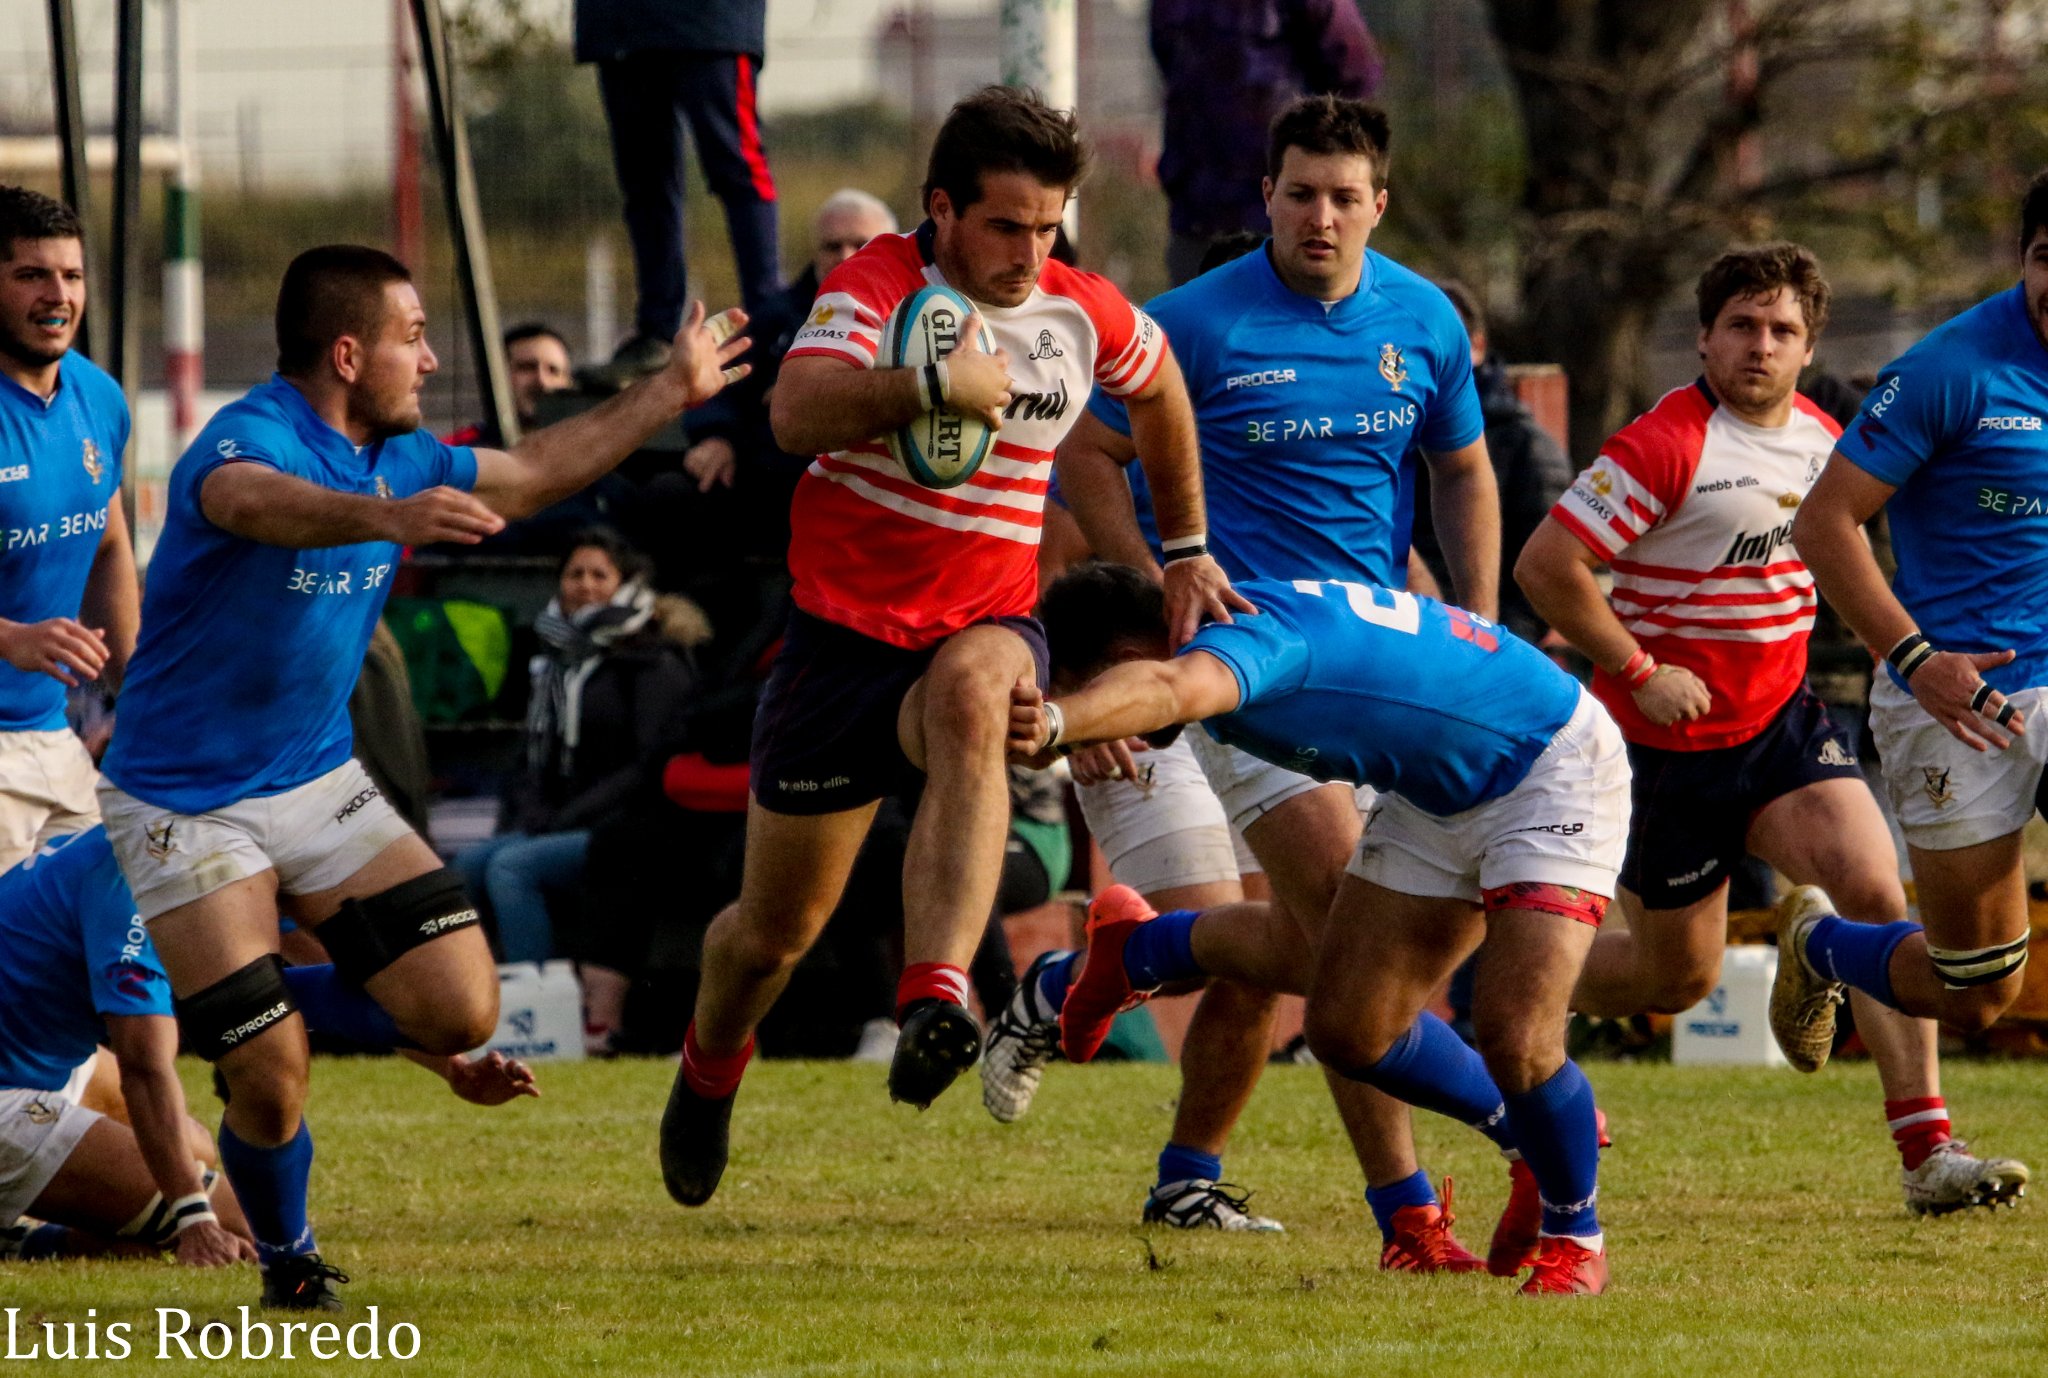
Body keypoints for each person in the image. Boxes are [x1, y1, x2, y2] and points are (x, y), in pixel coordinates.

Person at [93, 244, 746, 1310]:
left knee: (459, 1007)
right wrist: (384, 519)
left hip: (312, 776)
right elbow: (246, 499)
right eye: (412, 336)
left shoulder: (400, 451)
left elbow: (537, 468)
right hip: (180, 795)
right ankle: (292, 1252)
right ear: (348, 354)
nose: (431, 355)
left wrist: (668, 390)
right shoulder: (252, 436)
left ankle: (236, 1002)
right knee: (270, 1076)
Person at [659, 86, 1242, 1210]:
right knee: (771, 935)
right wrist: (930, 387)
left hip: (980, 623)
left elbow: (1160, 391)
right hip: (837, 645)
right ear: (941, 208)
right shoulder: (872, 286)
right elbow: (791, 413)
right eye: (1005, 225)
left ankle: (935, 992)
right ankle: (708, 1062)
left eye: (1047, 225)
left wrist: (1184, 545)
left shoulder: (1079, 310)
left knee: (982, 694)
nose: (1030, 251)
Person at [995, 96, 1504, 1261]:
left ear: (1378, 204)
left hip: (1390, 670)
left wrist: (1473, 616)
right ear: (1264, 197)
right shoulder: (1193, 324)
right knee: (1353, 952)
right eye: (1298, 192)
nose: (1319, 216)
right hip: (1251, 674)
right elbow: (1085, 449)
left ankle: (1140, 990)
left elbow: (1461, 467)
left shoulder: (1420, 319)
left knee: (1398, 935)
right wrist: (1163, 584)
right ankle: (1409, 1214)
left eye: (1342, 196)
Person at [1515, 244, 2028, 1216]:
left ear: (1807, 346)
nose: (1759, 345)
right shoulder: (1662, 444)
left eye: (1780, 329)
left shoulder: (1827, 439)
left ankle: (1925, 1150)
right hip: (1662, 754)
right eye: (1740, 326)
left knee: (1876, 888)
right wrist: (1636, 668)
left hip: (1781, 733)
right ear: (1703, 337)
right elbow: (1545, 566)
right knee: (1677, 975)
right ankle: (1499, 983)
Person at [1012, 564, 1629, 1295]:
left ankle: (1575, 1236)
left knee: (1517, 1034)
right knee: (1348, 1029)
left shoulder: (1240, 648)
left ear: (1120, 664)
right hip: (1435, 798)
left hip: (1547, 765)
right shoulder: (1238, 630)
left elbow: (1172, 689)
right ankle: (1140, 950)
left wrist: (1056, 723)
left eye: (1089, 689)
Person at [1778, 170, 2048, 1138]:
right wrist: (1914, 657)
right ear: (2020, 258)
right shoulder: (1949, 369)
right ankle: (1821, 945)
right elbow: (1824, 523)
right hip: (1953, 696)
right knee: (1974, 990)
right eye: (2045, 257)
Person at [0, 827, 536, 1267]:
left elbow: (300, 978)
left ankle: (24, 1237)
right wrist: (194, 1220)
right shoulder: (138, 883)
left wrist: (452, 1068)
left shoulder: (204, 847)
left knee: (193, 1147)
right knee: (240, 1220)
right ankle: (24, 1230)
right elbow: (144, 1067)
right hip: (9, 1094)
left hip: (37, 1058)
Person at [455, 528, 699, 976]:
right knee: (465, 868)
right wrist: (532, 810)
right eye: (575, 574)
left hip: (620, 828)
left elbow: (650, 764)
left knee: (511, 869)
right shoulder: (552, 660)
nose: (585, 585)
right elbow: (531, 756)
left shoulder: (652, 659)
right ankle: (475, 999)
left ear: (625, 583)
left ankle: (542, 1007)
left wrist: (568, 816)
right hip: (557, 819)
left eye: (599, 575)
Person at [0, 186, 137, 873]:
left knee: (110, 938)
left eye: (72, 275)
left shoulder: (98, 397)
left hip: (54, 740)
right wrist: (12, 637)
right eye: (31, 275)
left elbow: (109, 544)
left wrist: (136, 693)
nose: (58, 295)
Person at [577, 0, 780, 377]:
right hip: (620, 23)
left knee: (738, 165)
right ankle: (657, 332)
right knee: (645, 182)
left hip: (710, 20)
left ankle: (772, 324)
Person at [1150, 0, 1380, 285]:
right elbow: (1171, 68)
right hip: (1197, 222)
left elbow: (1355, 76)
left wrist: (1315, 179)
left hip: (1283, 226)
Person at [1409, 280, 1574, 645]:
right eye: (1414, 343)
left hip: (1479, 648)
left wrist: (1489, 649)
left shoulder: (1525, 447)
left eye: (1445, 340)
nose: (1431, 356)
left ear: (1478, 347)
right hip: (1396, 638)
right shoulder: (1382, 432)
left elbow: (1537, 580)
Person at [446, 323, 575, 448]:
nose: (542, 381)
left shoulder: (585, 455)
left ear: (569, 383)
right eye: (527, 368)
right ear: (497, 376)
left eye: (554, 371)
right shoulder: (455, 453)